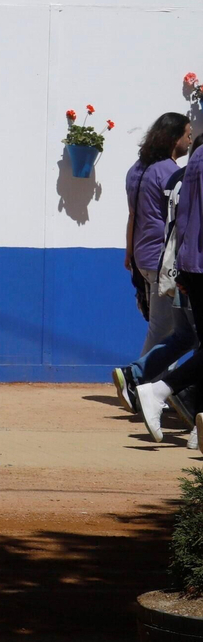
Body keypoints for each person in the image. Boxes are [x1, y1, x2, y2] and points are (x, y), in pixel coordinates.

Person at [113, 113, 193, 411]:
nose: (189, 140)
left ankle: (155, 389)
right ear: (173, 138)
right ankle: (137, 385)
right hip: (163, 260)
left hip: (142, 257)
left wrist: (129, 252)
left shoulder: (136, 170)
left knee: (167, 329)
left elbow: (132, 215)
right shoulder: (169, 172)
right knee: (165, 330)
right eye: (187, 134)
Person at [135, 134, 203, 443]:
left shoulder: (195, 159)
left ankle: (195, 425)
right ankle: (161, 391)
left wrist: (182, 270)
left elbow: (183, 217)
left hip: (190, 263)